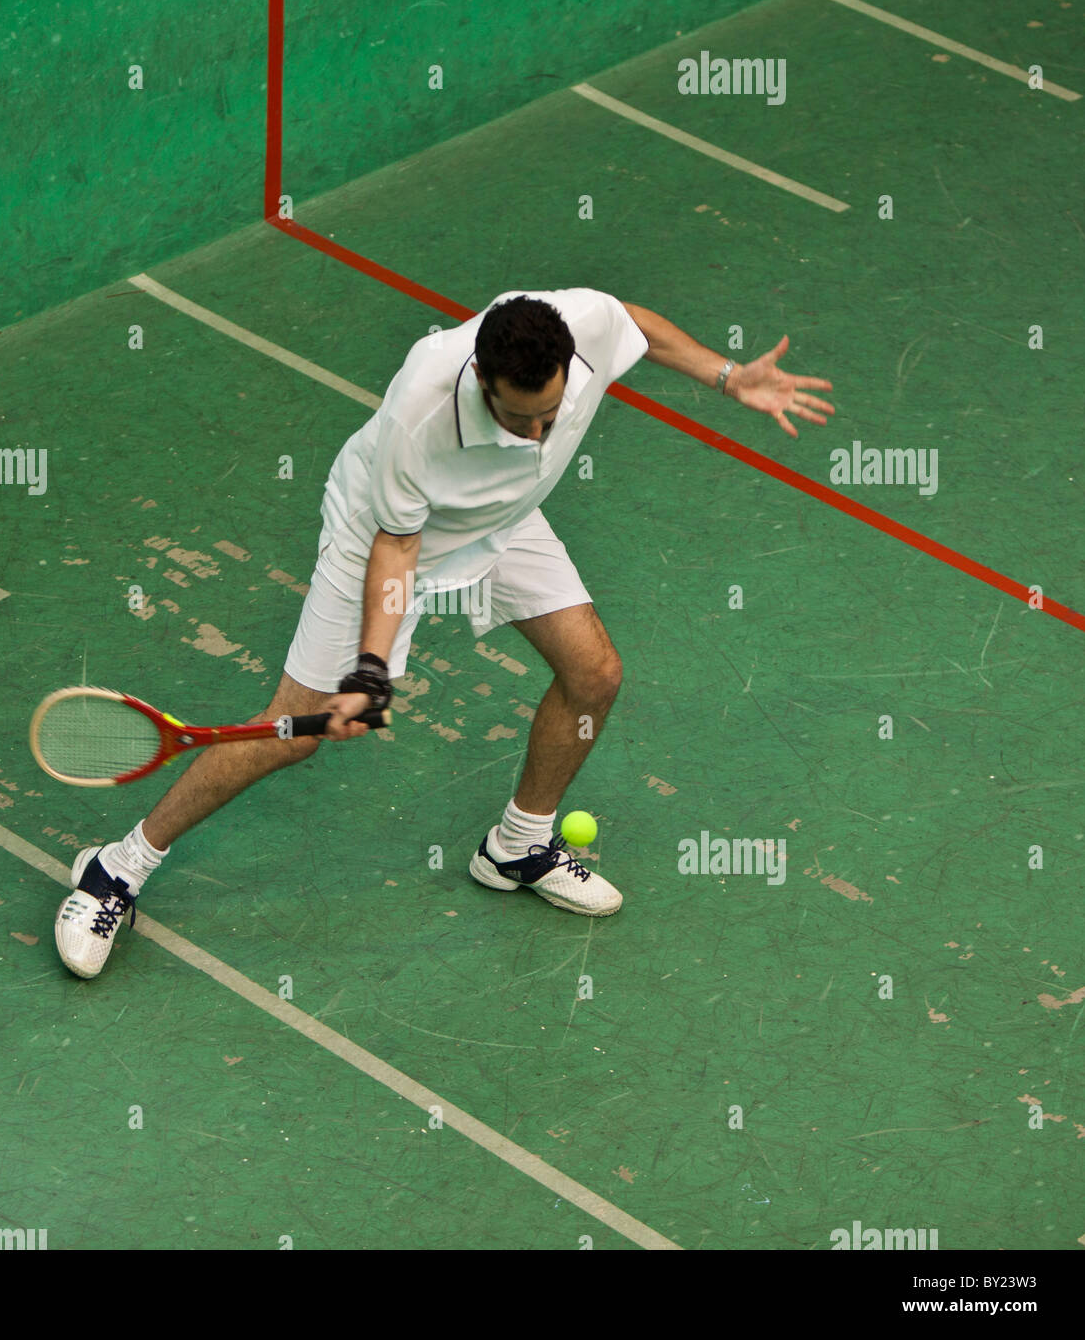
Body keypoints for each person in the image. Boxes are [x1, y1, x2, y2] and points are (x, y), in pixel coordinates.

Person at [55, 288, 833, 978]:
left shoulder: (582, 326)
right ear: (482, 381)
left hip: (503, 522)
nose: (536, 434)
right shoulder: (421, 406)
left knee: (593, 673)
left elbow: (639, 322)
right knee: (292, 731)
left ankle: (517, 848)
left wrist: (728, 377)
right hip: (387, 534)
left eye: (551, 415)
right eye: (518, 417)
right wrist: (369, 670)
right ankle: (116, 869)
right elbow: (397, 549)